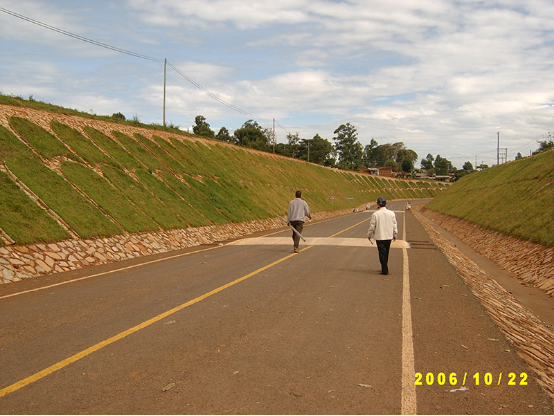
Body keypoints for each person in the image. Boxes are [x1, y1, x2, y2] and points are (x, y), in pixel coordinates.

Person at [367, 197, 398, 275]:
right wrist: (395, 234)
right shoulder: (391, 213)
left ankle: (384, 269)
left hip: (380, 236)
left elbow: (372, 226)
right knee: (386, 252)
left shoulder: (375, 214)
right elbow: (395, 225)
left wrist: (369, 234)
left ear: (378, 204)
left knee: (382, 253)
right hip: (389, 236)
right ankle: (384, 266)